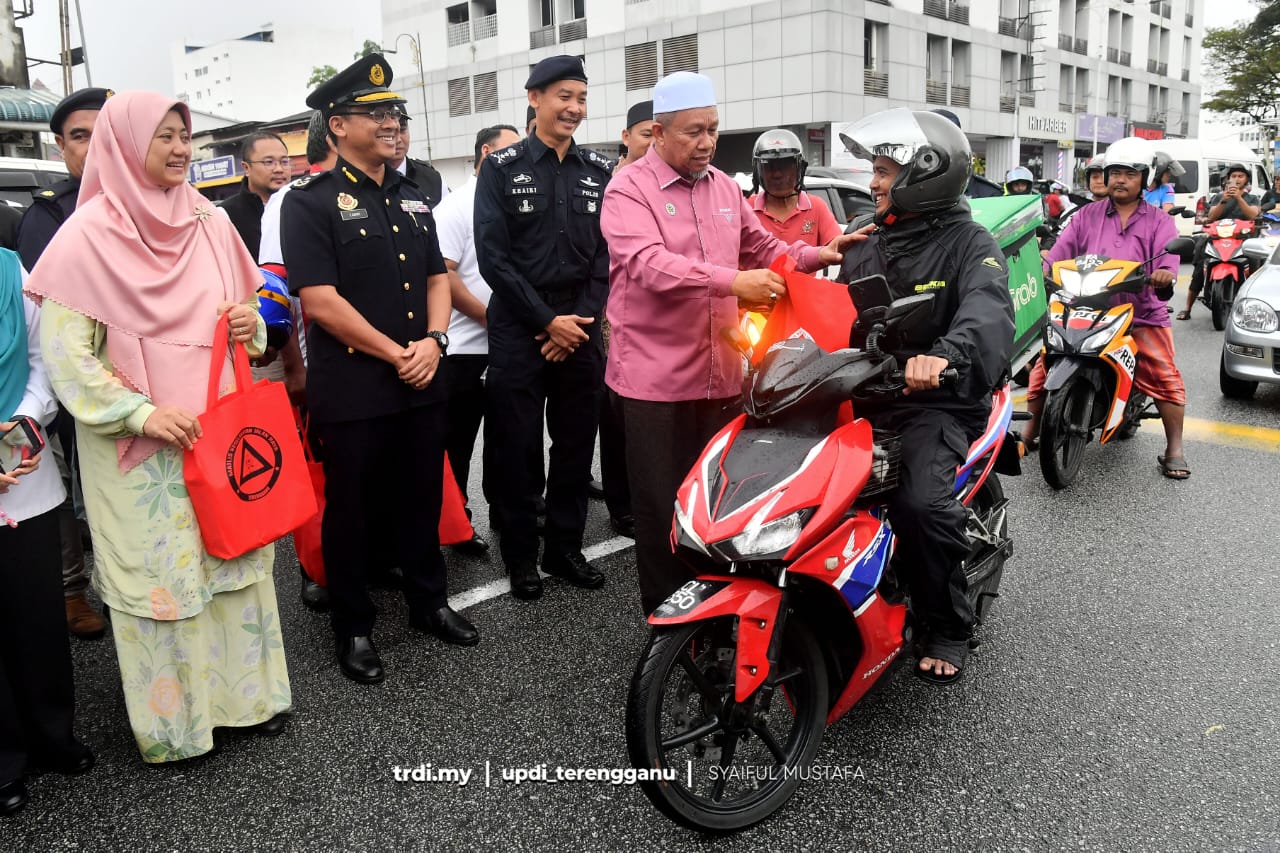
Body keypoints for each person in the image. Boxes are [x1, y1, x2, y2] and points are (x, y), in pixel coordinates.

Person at [27, 91, 292, 762]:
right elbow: (66, 357)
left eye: (185, 135)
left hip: (220, 431)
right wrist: (142, 412)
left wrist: (250, 323)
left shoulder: (207, 219)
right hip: (143, 452)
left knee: (233, 563)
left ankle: (249, 701)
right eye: (164, 136)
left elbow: (251, 310)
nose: (180, 148)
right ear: (124, 144)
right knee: (164, 585)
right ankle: (181, 729)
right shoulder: (86, 238)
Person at [600, 71, 860, 614]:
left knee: (718, 503)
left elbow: (762, 245)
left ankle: (714, 610)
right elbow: (648, 265)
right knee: (662, 506)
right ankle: (667, 616)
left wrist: (822, 254)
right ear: (658, 131)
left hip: (720, 373)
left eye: (713, 129)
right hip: (655, 381)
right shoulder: (628, 188)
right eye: (694, 131)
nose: (707, 142)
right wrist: (730, 281)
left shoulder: (723, 186)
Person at [282, 54, 477, 684]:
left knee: (420, 495)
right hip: (356, 386)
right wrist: (398, 353)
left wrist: (435, 339)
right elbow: (319, 302)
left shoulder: (415, 193)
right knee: (352, 509)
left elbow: (435, 278)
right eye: (377, 115)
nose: (393, 123)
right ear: (337, 126)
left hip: (422, 375)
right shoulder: (307, 202)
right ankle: (354, 627)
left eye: (396, 113)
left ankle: (429, 602)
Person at [834, 108, 1014, 684]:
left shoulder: (970, 242)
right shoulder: (867, 236)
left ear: (925, 174)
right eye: (876, 171)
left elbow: (987, 313)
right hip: (865, 389)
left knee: (920, 503)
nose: (873, 181)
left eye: (884, 170)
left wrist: (948, 356)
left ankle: (947, 625)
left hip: (940, 397)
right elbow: (830, 310)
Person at [1026, 137, 1189, 480]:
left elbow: (1169, 258)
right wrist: (1044, 269)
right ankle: (1030, 431)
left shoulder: (1160, 221)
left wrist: (1163, 275)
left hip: (1139, 311)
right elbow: (1060, 252)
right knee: (1045, 363)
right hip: (1083, 304)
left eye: (1129, 174)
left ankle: (1174, 448)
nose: (1119, 179)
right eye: (1114, 172)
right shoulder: (1086, 215)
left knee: (1164, 374)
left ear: (1144, 179)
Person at [16, 86, 112, 641]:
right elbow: (43, 317)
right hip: (72, 383)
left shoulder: (158, 204)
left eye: (105, 131)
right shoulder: (50, 215)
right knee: (69, 491)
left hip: (150, 378)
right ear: (61, 148)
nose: (95, 145)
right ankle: (75, 589)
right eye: (81, 135)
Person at [1, 250, 94, 815]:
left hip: (22, 468)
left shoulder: (11, 269)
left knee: (36, 616)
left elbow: (42, 360)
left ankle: (51, 734)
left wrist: (26, 421)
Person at [432, 124, 522, 557]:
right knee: (457, 444)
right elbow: (443, 275)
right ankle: (456, 522)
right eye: (510, 150)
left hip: (508, 347)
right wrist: (492, 318)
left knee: (507, 442)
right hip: (464, 349)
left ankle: (507, 515)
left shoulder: (510, 200)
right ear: (486, 152)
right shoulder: (455, 207)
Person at [259, 110, 333, 612]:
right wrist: (295, 366)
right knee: (316, 472)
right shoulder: (291, 200)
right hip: (317, 358)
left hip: (382, 361)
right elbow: (277, 288)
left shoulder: (395, 189)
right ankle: (316, 567)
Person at [1179, 162, 1260, 321]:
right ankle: (1187, 308)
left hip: (1242, 239)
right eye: (1233, 176)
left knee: (1256, 266)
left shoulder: (1252, 198)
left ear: (1246, 180)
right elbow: (1211, 217)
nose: (1236, 179)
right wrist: (1224, 200)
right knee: (1199, 267)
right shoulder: (1218, 197)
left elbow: (1252, 215)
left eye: (1240, 176)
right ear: (1227, 179)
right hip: (1217, 238)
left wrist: (1238, 197)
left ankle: (1255, 305)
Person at [748, 128, 843, 247]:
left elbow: (836, 246)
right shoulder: (746, 209)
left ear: (800, 168)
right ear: (758, 171)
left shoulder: (816, 207)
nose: (777, 174)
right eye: (769, 166)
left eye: (784, 166)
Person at [218, 130, 291, 261]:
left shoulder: (300, 206)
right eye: (269, 162)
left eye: (284, 162)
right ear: (246, 168)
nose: (279, 169)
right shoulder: (226, 215)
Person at [390, 115, 447, 207]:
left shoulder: (432, 179)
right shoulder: (365, 179)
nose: (398, 139)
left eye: (402, 130)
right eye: (390, 132)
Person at [614, 100, 654, 173]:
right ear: (626, 137)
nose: (654, 143)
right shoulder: (604, 177)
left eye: (661, 135)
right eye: (647, 135)